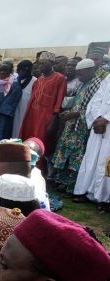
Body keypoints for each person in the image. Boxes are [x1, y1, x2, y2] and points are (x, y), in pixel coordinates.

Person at [52, 59, 103, 197]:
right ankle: (62, 184)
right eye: (78, 74)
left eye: (81, 74)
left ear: (91, 70)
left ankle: (72, 188)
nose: (79, 77)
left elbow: (95, 109)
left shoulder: (97, 85)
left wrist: (76, 114)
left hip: (82, 128)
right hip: (71, 125)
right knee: (64, 154)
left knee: (76, 158)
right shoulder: (81, 84)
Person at [19, 52, 67, 173]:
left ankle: (37, 172)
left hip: (46, 118)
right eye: (39, 64)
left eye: (43, 64)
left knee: (40, 144)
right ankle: (25, 168)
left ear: (52, 63)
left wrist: (53, 121)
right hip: (32, 116)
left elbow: (59, 101)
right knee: (28, 142)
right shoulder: (38, 80)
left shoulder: (59, 78)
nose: (40, 67)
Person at [73, 70, 110, 211]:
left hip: (107, 125)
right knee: (92, 158)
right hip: (99, 126)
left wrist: (106, 118)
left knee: (107, 161)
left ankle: (105, 198)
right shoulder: (108, 79)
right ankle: (88, 192)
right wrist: (96, 120)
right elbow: (96, 100)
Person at [12, 60, 36, 139]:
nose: (21, 72)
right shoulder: (15, 80)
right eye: (19, 70)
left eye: (24, 70)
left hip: (27, 111)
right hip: (14, 111)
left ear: (29, 70)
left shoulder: (35, 81)